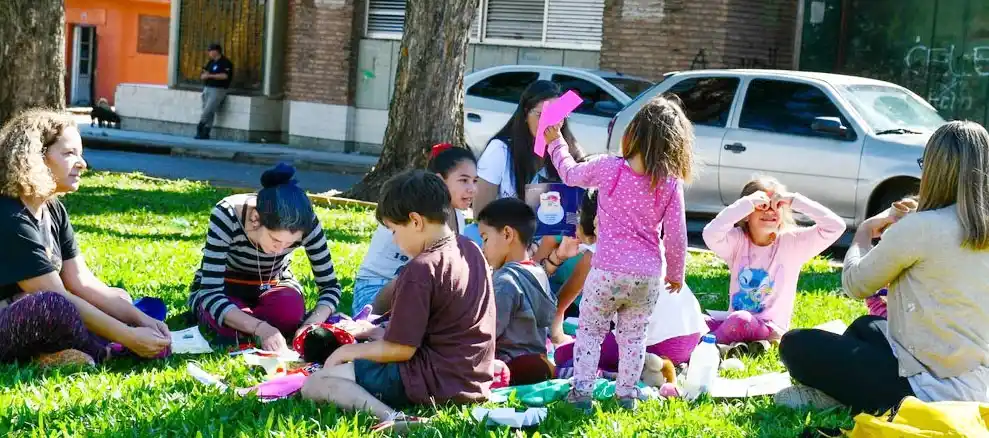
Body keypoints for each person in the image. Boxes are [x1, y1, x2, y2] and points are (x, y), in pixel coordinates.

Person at [777, 121, 989, 414]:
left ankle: (841, 397)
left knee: (795, 344)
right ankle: (844, 394)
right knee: (867, 328)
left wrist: (865, 231)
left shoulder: (920, 227)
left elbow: (855, 284)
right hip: (979, 383)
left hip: (929, 393)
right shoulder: (953, 226)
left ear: (934, 169)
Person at [301, 170, 495, 432]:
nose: (394, 239)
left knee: (317, 383)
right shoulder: (471, 249)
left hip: (429, 380)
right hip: (472, 380)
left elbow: (401, 349)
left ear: (415, 221)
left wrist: (345, 352)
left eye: (394, 230)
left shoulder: (421, 269)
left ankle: (394, 418)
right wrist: (374, 332)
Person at [543, 95, 693, 412]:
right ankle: (626, 395)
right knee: (634, 338)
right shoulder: (669, 183)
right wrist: (676, 274)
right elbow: (677, 234)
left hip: (607, 271)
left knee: (589, 333)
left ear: (632, 133)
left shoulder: (609, 168)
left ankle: (582, 394)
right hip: (648, 276)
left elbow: (570, 174)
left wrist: (556, 141)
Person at [0, 109, 171, 366]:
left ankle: (52, 355)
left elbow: (82, 282)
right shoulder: (9, 215)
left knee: (120, 298)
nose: (82, 164)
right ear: (34, 157)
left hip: (40, 311)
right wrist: (129, 337)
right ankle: (103, 352)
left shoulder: (52, 208)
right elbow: (56, 294)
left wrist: (142, 320)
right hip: (18, 318)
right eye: (69, 154)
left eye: (80, 154)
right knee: (51, 305)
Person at [188, 163, 343, 352]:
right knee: (225, 322)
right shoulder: (227, 214)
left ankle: (246, 323)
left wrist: (309, 325)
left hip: (273, 283)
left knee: (290, 313)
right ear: (255, 218)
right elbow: (211, 291)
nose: (280, 250)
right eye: (275, 240)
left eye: (290, 244)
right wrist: (260, 328)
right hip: (226, 286)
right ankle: (240, 322)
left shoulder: (307, 223)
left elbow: (330, 287)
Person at [553, 190, 708, 374]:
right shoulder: (648, 238)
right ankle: (652, 369)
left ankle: (646, 367)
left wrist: (558, 338)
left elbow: (560, 305)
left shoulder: (597, 252)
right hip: (691, 338)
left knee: (563, 355)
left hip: (655, 343)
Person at [701, 177, 845, 354]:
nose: (769, 211)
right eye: (762, 205)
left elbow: (836, 226)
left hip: (770, 329)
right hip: (734, 322)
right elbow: (710, 234)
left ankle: (705, 346)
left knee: (740, 319)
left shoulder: (792, 243)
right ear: (746, 214)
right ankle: (740, 346)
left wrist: (793, 199)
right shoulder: (737, 241)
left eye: (776, 205)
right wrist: (746, 203)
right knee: (698, 319)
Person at [353, 144, 478, 314]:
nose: (472, 189)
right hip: (376, 291)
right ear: (440, 180)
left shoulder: (458, 217)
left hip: (417, 287)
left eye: (475, 180)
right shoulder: (411, 210)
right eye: (464, 180)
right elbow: (423, 274)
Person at [472, 80, 586, 221]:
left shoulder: (570, 152)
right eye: (541, 115)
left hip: (556, 239)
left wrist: (562, 236)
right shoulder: (500, 150)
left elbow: (576, 212)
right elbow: (480, 214)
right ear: (526, 114)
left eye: (557, 115)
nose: (551, 123)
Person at [477, 197, 557, 385]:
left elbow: (486, 334)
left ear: (507, 234)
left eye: (485, 238)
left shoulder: (506, 281)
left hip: (510, 364)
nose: (483, 247)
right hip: (536, 358)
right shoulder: (538, 271)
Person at [196, 43, 234, 140]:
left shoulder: (225, 62)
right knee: (208, 110)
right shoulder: (211, 62)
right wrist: (204, 75)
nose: (209, 53)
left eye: (210, 51)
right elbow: (204, 73)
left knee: (208, 109)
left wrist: (210, 75)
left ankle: (200, 125)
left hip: (218, 89)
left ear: (216, 51)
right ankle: (206, 131)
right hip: (207, 88)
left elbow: (225, 76)